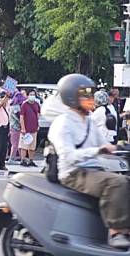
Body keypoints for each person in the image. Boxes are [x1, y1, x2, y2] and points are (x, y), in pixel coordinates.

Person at [49, 74, 130, 249]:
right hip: (73, 172)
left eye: (90, 94)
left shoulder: (89, 121)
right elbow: (68, 156)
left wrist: (121, 147)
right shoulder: (63, 123)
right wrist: (97, 151)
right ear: (72, 97)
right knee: (116, 183)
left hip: (93, 169)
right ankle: (116, 231)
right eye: (85, 94)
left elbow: (105, 144)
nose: (90, 98)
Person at [19, 90, 41, 167]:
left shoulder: (36, 104)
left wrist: (37, 125)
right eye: (31, 94)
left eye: (33, 94)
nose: (32, 96)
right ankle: (23, 160)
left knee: (32, 146)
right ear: (27, 95)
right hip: (26, 129)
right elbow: (21, 117)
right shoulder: (24, 105)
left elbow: (38, 115)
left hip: (34, 128)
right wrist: (23, 128)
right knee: (24, 146)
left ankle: (31, 160)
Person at [7, 92, 25, 165]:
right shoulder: (16, 108)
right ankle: (12, 159)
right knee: (15, 144)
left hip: (12, 126)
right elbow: (19, 118)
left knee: (16, 144)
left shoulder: (11, 106)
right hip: (16, 127)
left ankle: (21, 158)